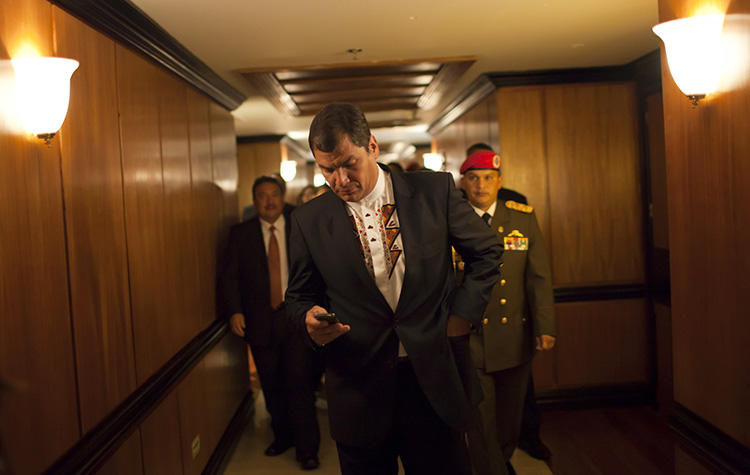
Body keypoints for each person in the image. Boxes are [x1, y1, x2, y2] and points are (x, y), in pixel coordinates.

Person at [285, 103, 503, 475]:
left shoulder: (434, 191)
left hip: (432, 377)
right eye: (327, 169)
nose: (339, 180)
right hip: (358, 387)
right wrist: (308, 319)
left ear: (372, 146)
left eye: (348, 163)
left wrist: (462, 316)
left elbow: (487, 251)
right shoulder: (309, 220)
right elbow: (298, 297)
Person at [457, 150, 556, 475]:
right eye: (473, 178)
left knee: (509, 420)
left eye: (488, 178)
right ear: (464, 182)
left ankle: (499, 462)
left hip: (515, 335)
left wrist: (546, 326)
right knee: (480, 420)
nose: (481, 185)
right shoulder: (453, 220)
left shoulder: (521, 218)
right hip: (472, 339)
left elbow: (537, 276)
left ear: (500, 181)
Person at [218, 176, 321, 471]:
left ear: (284, 196)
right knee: (272, 385)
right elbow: (230, 278)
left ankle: (307, 448)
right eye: (262, 196)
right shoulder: (241, 234)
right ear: (254, 201)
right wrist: (235, 311)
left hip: (297, 317)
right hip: (260, 321)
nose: (269, 201)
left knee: (300, 383)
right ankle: (283, 437)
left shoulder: (300, 223)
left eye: (274, 194)